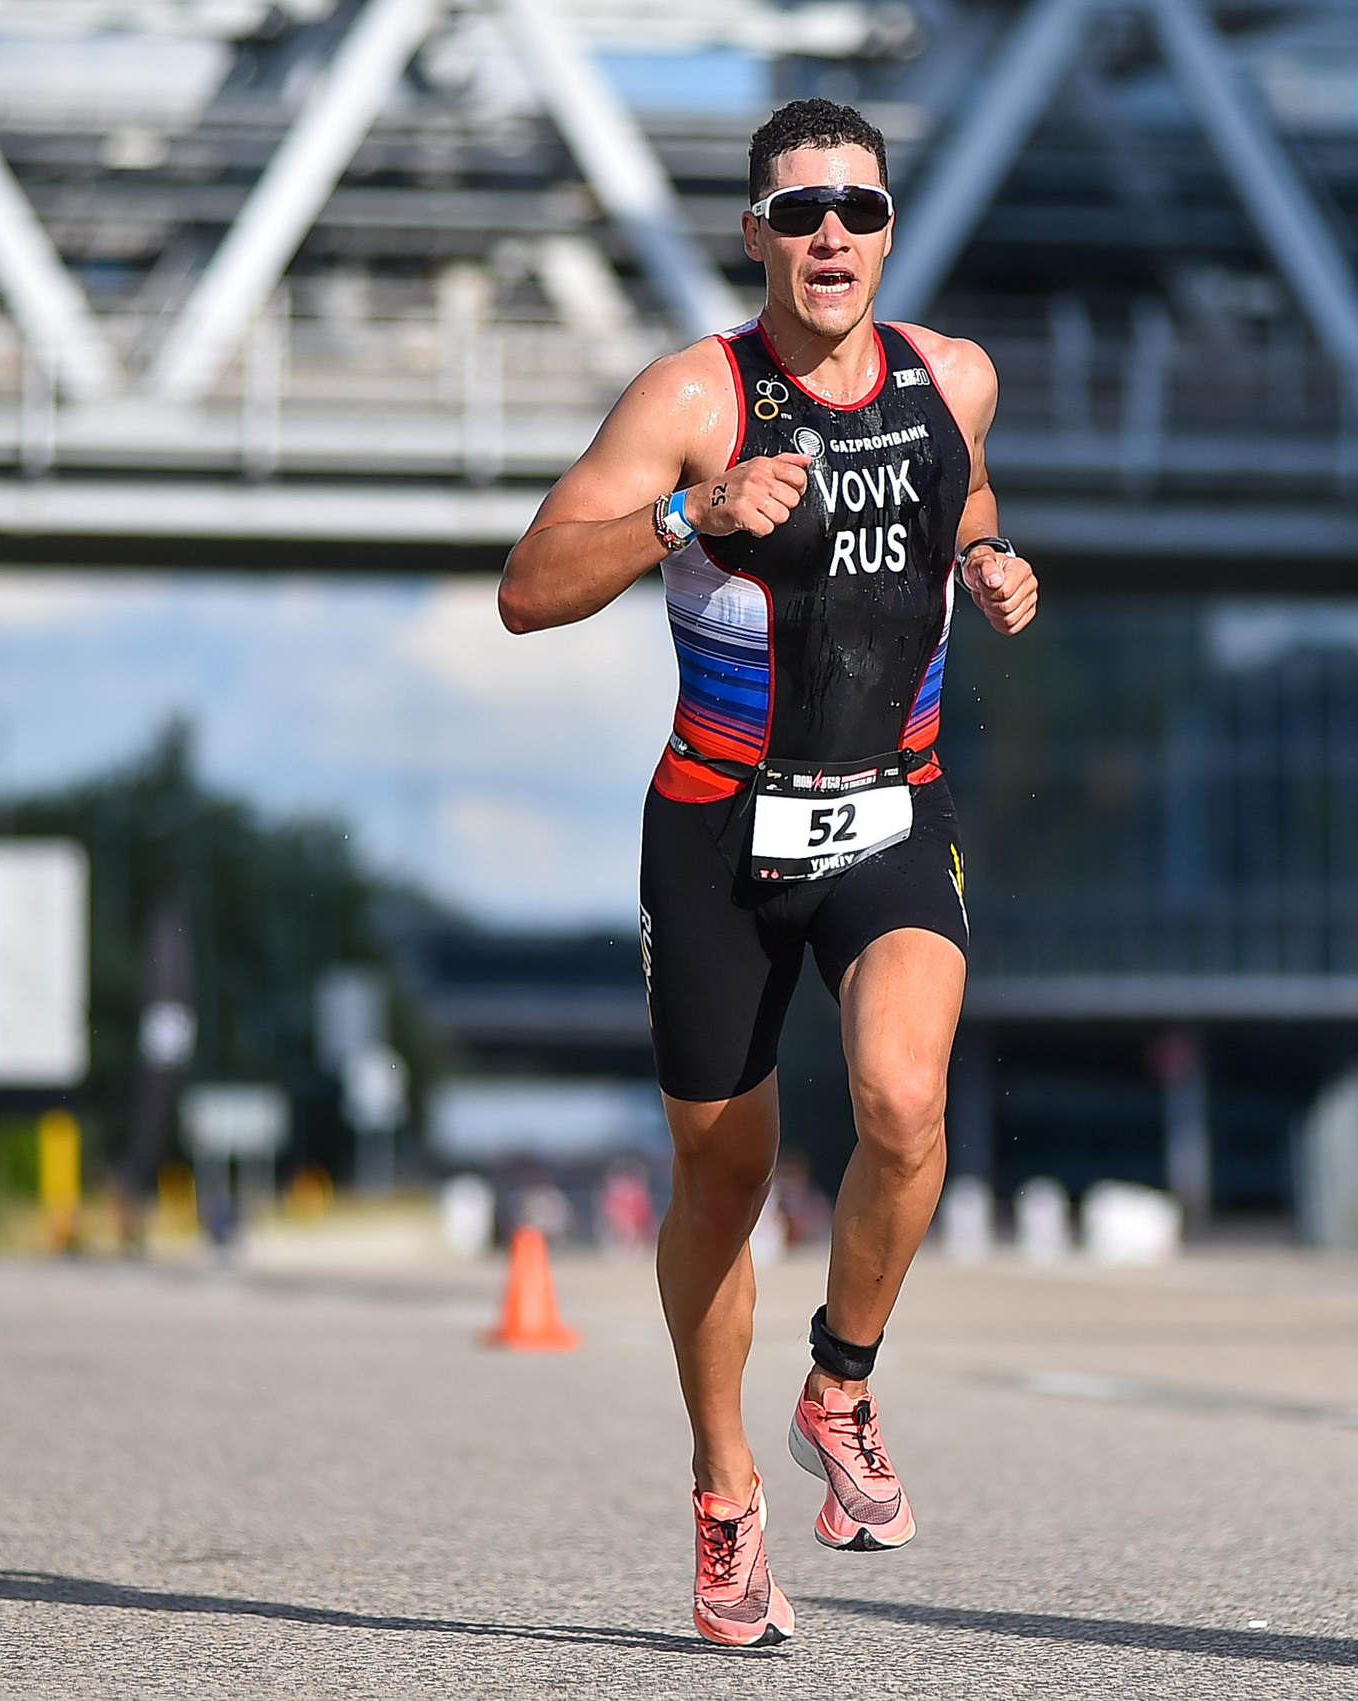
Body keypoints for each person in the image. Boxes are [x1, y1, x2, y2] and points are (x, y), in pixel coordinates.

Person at [497, 97, 1037, 1647]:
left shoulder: (956, 381)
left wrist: (994, 564)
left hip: (887, 812)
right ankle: (725, 1489)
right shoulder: (692, 397)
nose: (831, 238)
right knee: (724, 1180)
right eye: (799, 212)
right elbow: (528, 588)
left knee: (904, 1104)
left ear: (888, 228)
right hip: (719, 835)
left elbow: (969, 496)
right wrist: (688, 513)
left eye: (858, 210)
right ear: (754, 234)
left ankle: (841, 1381)